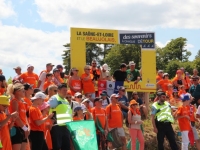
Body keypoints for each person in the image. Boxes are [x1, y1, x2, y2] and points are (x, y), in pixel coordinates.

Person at [48, 83, 72, 150]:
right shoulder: (55, 98)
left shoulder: (66, 100)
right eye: (63, 90)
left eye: (66, 90)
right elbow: (47, 108)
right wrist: (51, 121)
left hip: (66, 127)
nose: (65, 92)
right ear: (58, 90)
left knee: (66, 147)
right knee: (57, 147)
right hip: (57, 126)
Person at [9, 83, 30, 150]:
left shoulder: (22, 102)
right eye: (23, 91)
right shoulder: (14, 101)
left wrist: (27, 127)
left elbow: (24, 117)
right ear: (17, 92)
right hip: (17, 128)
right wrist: (25, 128)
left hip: (23, 128)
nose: (24, 92)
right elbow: (16, 117)